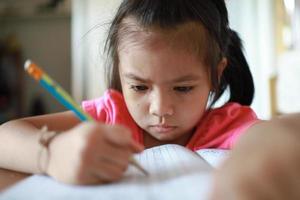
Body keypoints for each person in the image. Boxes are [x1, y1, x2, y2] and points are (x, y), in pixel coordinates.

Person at [0, 0, 299, 199]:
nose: (160, 110)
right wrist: (51, 154)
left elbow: (280, 135)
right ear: (120, 70)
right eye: (140, 87)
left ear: (216, 74)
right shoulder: (109, 115)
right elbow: (5, 139)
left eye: (182, 88)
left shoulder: (225, 125)